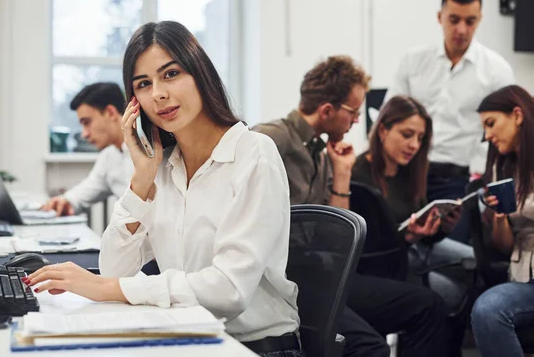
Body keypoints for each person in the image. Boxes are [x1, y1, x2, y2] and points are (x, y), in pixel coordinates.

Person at [26, 21, 303, 357]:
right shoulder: (162, 167)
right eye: (144, 84)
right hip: (186, 336)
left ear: (199, 73)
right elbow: (115, 268)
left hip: (254, 347)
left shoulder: (254, 153)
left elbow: (230, 290)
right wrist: (141, 179)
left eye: (170, 74)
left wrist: (107, 288)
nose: (157, 93)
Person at [254, 56, 449, 357]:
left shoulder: (322, 154)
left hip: (318, 277)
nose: (357, 120)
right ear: (327, 110)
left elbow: (335, 235)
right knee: (373, 348)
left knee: (414, 314)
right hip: (284, 282)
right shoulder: (269, 138)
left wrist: (342, 173)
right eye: (354, 112)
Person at [385, 0, 515, 244]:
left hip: (460, 179)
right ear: (440, 17)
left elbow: (507, 131)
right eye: (454, 20)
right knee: (395, 240)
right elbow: (388, 117)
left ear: (480, 20)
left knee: (453, 253)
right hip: (409, 173)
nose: (461, 29)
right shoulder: (414, 61)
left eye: (470, 21)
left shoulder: (496, 70)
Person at [351, 95, 473, 354]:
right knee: (448, 295)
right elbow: (369, 250)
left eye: (420, 138)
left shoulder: (411, 172)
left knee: (474, 261)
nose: (414, 145)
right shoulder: (358, 175)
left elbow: (423, 231)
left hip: (412, 248)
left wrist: (441, 227)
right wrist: (409, 239)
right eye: (407, 135)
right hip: (385, 263)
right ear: (383, 129)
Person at [469, 85, 534, 357]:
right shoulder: (500, 168)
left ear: (517, 115)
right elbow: (504, 246)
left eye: (491, 124)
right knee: (487, 309)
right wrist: (500, 218)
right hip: (525, 277)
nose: (488, 135)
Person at [42, 82, 131, 216]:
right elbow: (85, 191)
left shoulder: (154, 151)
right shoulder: (109, 156)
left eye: (87, 122)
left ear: (110, 113)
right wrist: (64, 200)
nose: (84, 134)